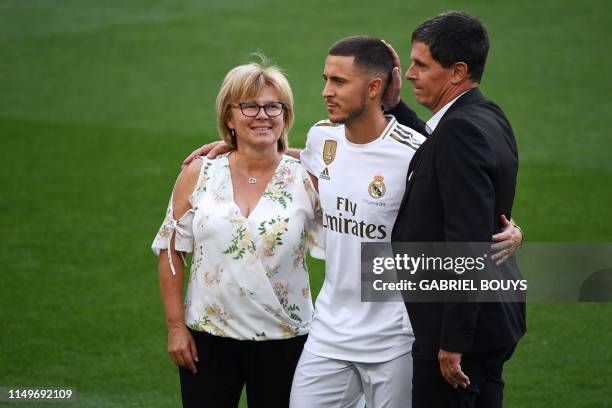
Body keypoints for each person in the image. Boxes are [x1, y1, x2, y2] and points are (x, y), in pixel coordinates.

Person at [185, 36, 523, 408]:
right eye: (326, 79)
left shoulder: (415, 152)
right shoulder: (320, 139)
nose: (326, 92)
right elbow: (306, 168)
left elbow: (465, 200)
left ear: (374, 87)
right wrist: (237, 150)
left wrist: (509, 229)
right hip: (329, 330)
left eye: (339, 82)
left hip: (394, 333)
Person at [151, 59, 323, 408]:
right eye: (249, 106)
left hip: (285, 338)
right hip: (208, 338)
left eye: (273, 106)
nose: (263, 114)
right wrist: (175, 327)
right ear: (229, 117)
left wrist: (293, 155)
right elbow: (171, 249)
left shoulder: (309, 177)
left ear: (285, 115)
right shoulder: (199, 172)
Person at [388, 11, 526, 408]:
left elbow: (465, 244)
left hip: (461, 334)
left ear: (456, 72)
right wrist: (397, 109)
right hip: (493, 321)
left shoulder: (459, 133)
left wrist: (451, 343)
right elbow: (436, 144)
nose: (410, 73)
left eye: (420, 64)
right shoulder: (487, 115)